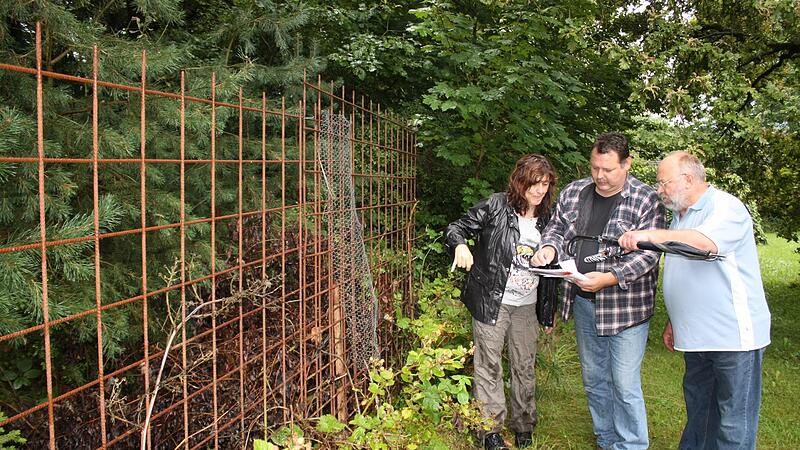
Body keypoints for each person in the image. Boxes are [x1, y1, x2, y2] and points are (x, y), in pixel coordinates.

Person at [619, 151, 771, 450]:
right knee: (699, 414)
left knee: (733, 423)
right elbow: (685, 271)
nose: (658, 190)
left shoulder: (726, 207)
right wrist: (675, 321)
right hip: (696, 336)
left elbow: (704, 244)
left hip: (733, 338)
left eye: (663, 183)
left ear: (687, 179)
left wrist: (647, 234)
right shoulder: (680, 216)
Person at [530, 132, 666, 450]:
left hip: (626, 308)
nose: (599, 177)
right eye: (594, 168)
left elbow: (649, 252)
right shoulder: (575, 191)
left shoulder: (647, 200)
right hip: (583, 301)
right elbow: (556, 227)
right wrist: (549, 249)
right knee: (594, 378)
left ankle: (632, 444)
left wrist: (611, 278)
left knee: (624, 382)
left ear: (627, 164)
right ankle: (606, 438)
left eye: (607, 170)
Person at [446, 154, 558, 450]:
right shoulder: (495, 205)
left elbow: (555, 266)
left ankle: (523, 424)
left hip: (527, 305)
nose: (539, 190)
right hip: (491, 301)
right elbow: (456, 228)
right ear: (519, 181)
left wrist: (548, 310)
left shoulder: (549, 217)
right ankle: (490, 430)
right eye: (534, 183)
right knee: (489, 366)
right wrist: (459, 246)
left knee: (524, 366)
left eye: (545, 184)